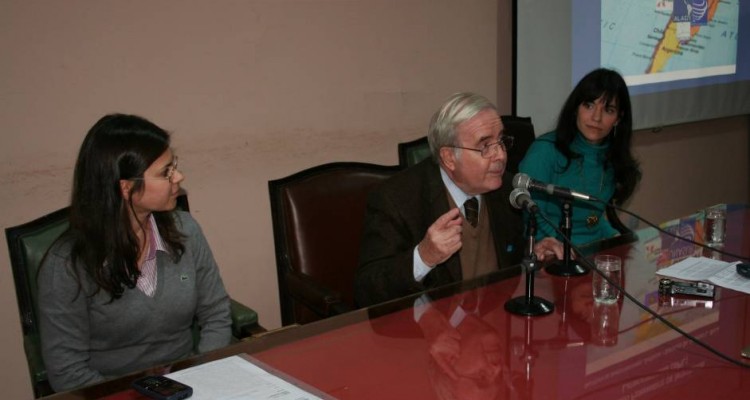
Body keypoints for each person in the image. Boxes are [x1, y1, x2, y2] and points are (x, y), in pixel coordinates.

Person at [38, 114, 232, 391]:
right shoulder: (67, 265)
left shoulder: (186, 231)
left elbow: (216, 313)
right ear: (126, 188)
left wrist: (201, 380)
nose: (178, 176)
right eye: (165, 172)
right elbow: (67, 371)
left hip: (187, 385)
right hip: (111, 393)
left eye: (174, 166)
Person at [355, 92, 564, 307]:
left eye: (501, 141)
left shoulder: (507, 189)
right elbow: (367, 290)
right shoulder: (396, 199)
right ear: (448, 158)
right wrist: (424, 257)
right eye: (485, 146)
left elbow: (503, 259)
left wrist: (532, 251)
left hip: (495, 322)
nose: (501, 155)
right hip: (433, 331)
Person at [519, 68, 641, 245]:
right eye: (589, 106)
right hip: (552, 252)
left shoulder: (613, 157)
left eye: (608, 110)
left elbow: (593, 221)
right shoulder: (544, 151)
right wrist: (566, 251)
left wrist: (615, 239)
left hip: (593, 252)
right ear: (576, 108)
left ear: (618, 119)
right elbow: (534, 219)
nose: (596, 117)